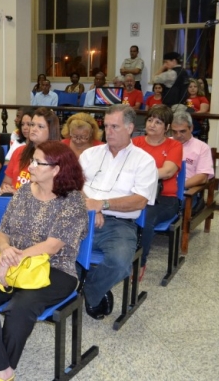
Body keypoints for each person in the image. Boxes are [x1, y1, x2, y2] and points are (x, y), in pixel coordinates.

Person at [0, 141, 88, 381]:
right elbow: (2, 232)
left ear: (56, 169)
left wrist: (10, 259)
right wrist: (4, 251)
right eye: (32, 160)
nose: (30, 166)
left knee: (22, 305)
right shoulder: (24, 191)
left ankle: (2, 372)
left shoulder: (73, 200)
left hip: (56, 269)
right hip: (16, 261)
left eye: (37, 162)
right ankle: (1, 368)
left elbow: (53, 246)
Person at [80, 105, 157, 320]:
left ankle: (89, 289)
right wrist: (90, 206)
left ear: (130, 127)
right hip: (82, 217)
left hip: (119, 225)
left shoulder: (144, 161)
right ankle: (76, 288)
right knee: (54, 248)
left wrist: (102, 205)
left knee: (120, 262)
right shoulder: (89, 154)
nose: (108, 131)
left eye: (114, 126)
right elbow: (73, 186)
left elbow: (139, 201)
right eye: (106, 126)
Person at [132, 105, 182, 277]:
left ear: (167, 127)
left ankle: (140, 262)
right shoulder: (135, 143)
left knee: (145, 216)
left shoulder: (174, 145)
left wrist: (139, 175)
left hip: (165, 199)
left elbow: (167, 171)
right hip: (136, 194)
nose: (152, 124)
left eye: (158, 122)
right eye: (150, 120)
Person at [0, 107, 60, 195]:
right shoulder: (19, 151)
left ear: (51, 131)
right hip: (13, 202)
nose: (34, 129)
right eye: (32, 124)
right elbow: (6, 182)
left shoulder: (59, 156)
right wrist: (5, 189)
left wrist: (17, 194)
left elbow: (52, 195)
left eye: (40, 126)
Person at [171, 111, 215, 210]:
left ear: (191, 128)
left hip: (187, 191)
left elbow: (202, 177)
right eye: (174, 131)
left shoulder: (202, 148)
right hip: (163, 189)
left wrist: (177, 186)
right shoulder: (166, 143)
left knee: (167, 206)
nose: (178, 135)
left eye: (182, 131)